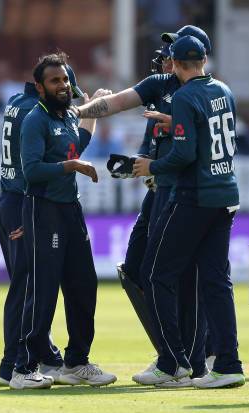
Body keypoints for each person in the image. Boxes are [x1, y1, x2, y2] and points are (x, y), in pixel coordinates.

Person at [75, 25, 214, 388]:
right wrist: (78, 112)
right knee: (136, 269)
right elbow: (117, 103)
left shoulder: (205, 94)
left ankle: (189, 360)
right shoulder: (159, 85)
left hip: (188, 194)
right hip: (159, 193)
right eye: (168, 50)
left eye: (174, 51)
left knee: (182, 277)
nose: (166, 57)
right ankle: (173, 353)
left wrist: (159, 167)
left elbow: (201, 152)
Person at [132, 35, 244, 389]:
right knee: (216, 281)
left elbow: (183, 156)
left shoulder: (183, 96)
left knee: (154, 273)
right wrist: (176, 122)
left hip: (194, 196)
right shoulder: (223, 90)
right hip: (226, 195)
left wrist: (152, 166)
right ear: (204, 60)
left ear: (176, 64)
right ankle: (228, 364)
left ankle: (172, 362)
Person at [10, 52, 116, 390]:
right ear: (40, 87)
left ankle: (76, 363)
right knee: (43, 292)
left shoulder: (68, 116)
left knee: (84, 286)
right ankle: (22, 368)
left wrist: (95, 108)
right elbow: (33, 170)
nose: (63, 85)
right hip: (44, 209)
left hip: (71, 210)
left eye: (65, 79)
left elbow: (78, 142)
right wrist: (72, 167)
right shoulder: (35, 120)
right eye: (55, 80)